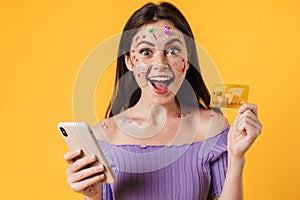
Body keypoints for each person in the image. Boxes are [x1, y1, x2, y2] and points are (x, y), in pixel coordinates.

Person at [64, 2, 262, 200]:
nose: (160, 64)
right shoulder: (103, 136)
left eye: (173, 51)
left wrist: (237, 157)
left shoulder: (211, 127)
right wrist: (93, 196)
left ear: (186, 62)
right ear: (129, 61)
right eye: (146, 52)